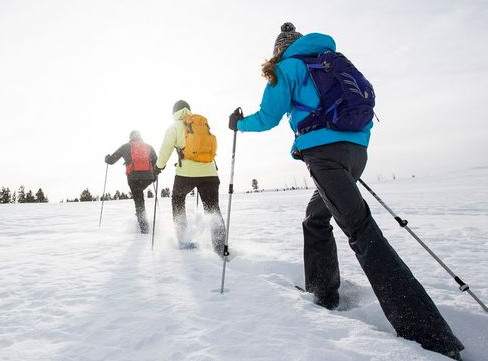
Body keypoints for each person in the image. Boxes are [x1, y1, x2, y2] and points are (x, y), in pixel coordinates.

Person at [228, 23, 464, 360]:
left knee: (362, 232)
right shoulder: (333, 60)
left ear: (281, 49)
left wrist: (238, 123)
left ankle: (431, 335)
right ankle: (323, 292)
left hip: (324, 156)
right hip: (356, 153)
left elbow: (268, 117)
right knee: (315, 218)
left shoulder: (287, 67)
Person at [154, 100, 226, 255]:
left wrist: (158, 167)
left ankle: (183, 240)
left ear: (174, 112)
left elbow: (165, 149)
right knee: (213, 208)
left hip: (186, 174)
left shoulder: (174, 127)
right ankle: (221, 247)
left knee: (178, 200)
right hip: (210, 173)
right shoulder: (200, 123)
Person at [105, 130, 158, 234]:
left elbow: (111, 160)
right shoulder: (148, 146)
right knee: (140, 195)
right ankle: (142, 219)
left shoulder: (126, 146)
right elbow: (156, 160)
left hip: (133, 177)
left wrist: (106, 158)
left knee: (139, 201)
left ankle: (144, 227)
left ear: (131, 137)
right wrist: (154, 175)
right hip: (148, 177)